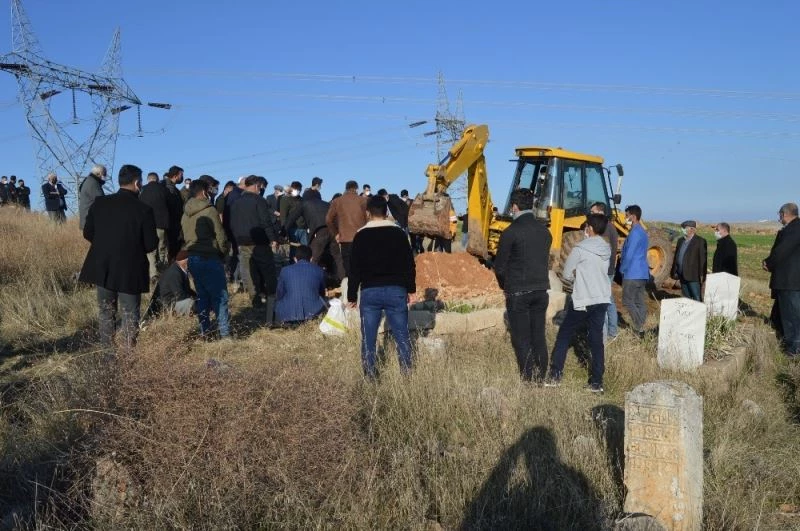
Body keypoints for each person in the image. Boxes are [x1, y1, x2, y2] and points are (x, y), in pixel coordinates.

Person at [78, 164, 157, 352]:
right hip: (130, 269)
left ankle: (108, 355)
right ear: (137, 183)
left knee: (106, 312)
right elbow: (151, 244)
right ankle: (128, 356)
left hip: (103, 267)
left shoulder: (100, 203)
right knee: (130, 314)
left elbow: (88, 232)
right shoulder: (143, 209)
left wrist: (105, 245)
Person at [348, 196, 416, 379]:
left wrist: (352, 296)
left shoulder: (360, 235)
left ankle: (370, 377)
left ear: (368, 213)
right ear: (387, 212)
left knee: (368, 338)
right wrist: (411, 289)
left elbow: (354, 268)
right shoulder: (399, 233)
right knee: (402, 336)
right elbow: (409, 264)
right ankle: (407, 376)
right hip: (396, 291)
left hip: (370, 292)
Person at [545, 214, 611, 392]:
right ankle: (597, 382)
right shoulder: (606, 249)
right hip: (602, 298)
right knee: (596, 339)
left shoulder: (580, 249)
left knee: (564, 335)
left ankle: (555, 375)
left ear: (589, 228)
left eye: (586, 226)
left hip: (583, 300)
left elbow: (566, 274)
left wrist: (577, 280)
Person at [493, 188, 552, 383]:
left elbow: (500, 267)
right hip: (541, 291)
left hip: (518, 291)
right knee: (538, 336)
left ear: (515, 206)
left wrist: (505, 286)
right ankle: (541, 377)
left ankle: (528, 380)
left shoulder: (511, 232)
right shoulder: (545, 231)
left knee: (521, 339)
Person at [182, 178, 231, 339]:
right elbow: (220, 236)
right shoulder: (209, 210)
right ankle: (225, 335)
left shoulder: (185, 213)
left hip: (193, 258)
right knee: (220, 297)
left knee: (202, 297)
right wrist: (223, 253)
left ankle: (206, 331)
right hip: (210, 257)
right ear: (204, 192)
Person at [230, 175, 280, 323]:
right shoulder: (259, 200)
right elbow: (265, 221)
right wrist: (273, 239)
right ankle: (272, 297)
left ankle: (255, 301)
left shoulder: (236, 202)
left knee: (249, 272)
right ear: (257, 186)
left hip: (242, 242)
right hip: (259, 241)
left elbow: (232, 222)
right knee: (267, 270)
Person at [763, 203, 800, 358]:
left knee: (792, 315)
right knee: (786, 313)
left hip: (790, 280)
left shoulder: (795, 228)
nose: (779, 217)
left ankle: (794, 349)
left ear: (784, 214)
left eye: (779, 214)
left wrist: (768, 263)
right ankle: (787, 341)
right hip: (789, 279)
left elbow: (782, 251)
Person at [285, 189, 344, 280]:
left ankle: (311, 281)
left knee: (313, 258)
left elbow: (291, 218)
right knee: (338, 258)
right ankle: (343, 280)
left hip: (319, 231)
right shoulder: (327, 204)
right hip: (334, 231)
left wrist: (282, 232)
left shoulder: (304, 204)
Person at [589, 202, 619, 342]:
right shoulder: (610, 227)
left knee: (602, 301)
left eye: (593, 211)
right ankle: (613, 331)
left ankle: (606, 335)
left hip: (604, 270)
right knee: (609, 299)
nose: (591, 214)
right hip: (607, 269)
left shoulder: (605, 228)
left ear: (600, 212)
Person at [275, 245, 326, 325]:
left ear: (295, 259)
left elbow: (279, 294)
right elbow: (322, 292)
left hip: (288, 315)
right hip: (313, 314)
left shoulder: (284, 270)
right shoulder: (319, 270)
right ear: (311, 258)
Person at [326, 180, 367, 277]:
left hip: (345, 238)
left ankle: (351, 288)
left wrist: (336, 233)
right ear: (356, 189)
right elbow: (368, 218)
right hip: (361, 238)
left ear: (346, 188)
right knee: (361, 265)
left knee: (348, 267)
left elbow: (328, 219)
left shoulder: (337, 201)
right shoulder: (363, 200)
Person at [619, 205, 649, 336]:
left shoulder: (635, 233)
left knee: (627, 300)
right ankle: (640, 326)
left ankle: (639, 327)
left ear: (633, 216)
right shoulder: (642, 232)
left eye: (627, 215)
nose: (625, 218)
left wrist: (622, 269)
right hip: (642, 272)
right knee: (638, 300)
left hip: (632, 272)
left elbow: (629, 254)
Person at [139, 171, 171, 281]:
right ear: (157, 179)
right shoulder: (164, 190)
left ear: (148, 179)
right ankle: (162, 269)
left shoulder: (142, 190)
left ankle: (153, 273)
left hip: (147, 225)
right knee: (162, 247)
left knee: (150, 250)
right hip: (161, 224)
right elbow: (170, 206)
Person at [670, 220, 707, 301]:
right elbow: (677, 256)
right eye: (682, 228)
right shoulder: (680, 241)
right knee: (686, 297)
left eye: (684, 228)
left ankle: (699, 312)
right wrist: (674, 271)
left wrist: (702, 275)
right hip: (681, 274)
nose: (682, 230)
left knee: (696, 297)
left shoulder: (700, 241)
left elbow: (703, 259)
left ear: (692, 229)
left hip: (693, 276)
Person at [157, 249, 196, 316]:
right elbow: (179, 295)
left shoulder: (180, 269)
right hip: (168, 305)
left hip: (173, 302)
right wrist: (194, 300)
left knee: (201, 302)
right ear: (186, 261)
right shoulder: (175, 273)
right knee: (198, 305)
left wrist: (196, 296)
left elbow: (187, 290)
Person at [163, 165, 185, 260]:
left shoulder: (174, 189)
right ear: (176, 175)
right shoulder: (168, 188)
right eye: (181, 175)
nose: (182, 177)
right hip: (171, 225)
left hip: (175, 224)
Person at [78, 164, 106, 231]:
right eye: (104, 174)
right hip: (91, 222)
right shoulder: (93, 183)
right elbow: (102, 201)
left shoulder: (89, 180)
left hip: (87, 220)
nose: (105, 176)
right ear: (99, 173)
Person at [280, 181, 307, 247]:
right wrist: (284, 230)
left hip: (303, 228)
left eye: (299, 190)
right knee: (294, 250)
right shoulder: (285, 200)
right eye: (295, 189)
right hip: (292, 228)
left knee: (305, 249)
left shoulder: (303, 200)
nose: (297, 191)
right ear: (291, 189)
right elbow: (283, 216)